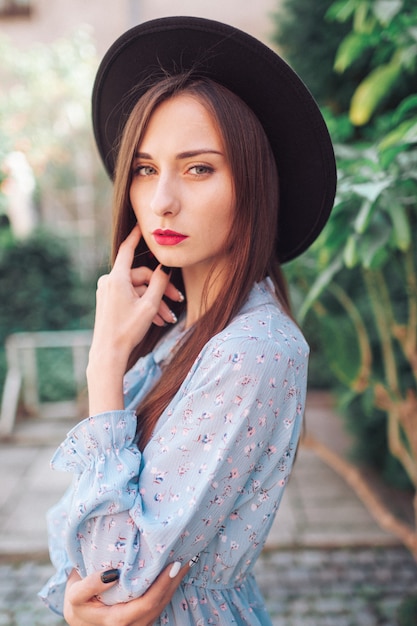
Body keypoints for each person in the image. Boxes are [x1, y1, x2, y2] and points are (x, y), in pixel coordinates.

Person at [39, 16, 336, 625]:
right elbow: (90, 573)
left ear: (252, 182)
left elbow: (117, 578)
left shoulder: (254, 349)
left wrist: (104, 363)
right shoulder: (180, 333)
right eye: (146, 169)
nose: (160, 201)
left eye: (198, 168)